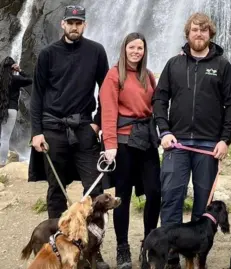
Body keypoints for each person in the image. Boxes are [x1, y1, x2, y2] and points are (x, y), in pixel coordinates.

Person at [153, 12, 231, 268]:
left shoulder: (223, 66)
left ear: (210, 33)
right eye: (194, 30)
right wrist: (164, 131)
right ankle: (170, 258)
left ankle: (195, 258)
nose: (198, 34)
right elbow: (160, 101)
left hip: (208, 147)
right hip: (176, 144)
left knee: (204, 206)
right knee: (171, 198)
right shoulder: (173, 64)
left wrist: (225, 139)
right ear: (187, 33)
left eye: (203, 30)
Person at [28, 5, 109, 268]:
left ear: (84, 25)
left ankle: (94, 252)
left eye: (79, 23)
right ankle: (59, 248)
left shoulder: (96, 51)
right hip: (53, 131)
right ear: (62, 24)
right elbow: (37, 94)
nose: (75, 27)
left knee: (96, 191)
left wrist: (98, 124)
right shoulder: (48, 54)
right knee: (55, 192)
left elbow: (105, 91)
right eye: (70, 22)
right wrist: (36, 132)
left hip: (84, 129)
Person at [99, 32, 161, 269]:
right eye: (132, 47)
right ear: (124, 48)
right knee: (122, 197)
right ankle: (122, 248)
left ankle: (150, 242)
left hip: (146, 140)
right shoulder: (114, 75)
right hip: (123, 144)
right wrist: (110, 146)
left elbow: (157, 104)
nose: (136, 52)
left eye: (140, 48)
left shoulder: (149, 76)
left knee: (155, 192)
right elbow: (108, 111)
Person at [0, 56, 32, 167]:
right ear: (13, 68)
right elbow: (30, 79)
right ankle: (2, 163)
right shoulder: (16, 79)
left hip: (1, 109)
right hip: (11, 110)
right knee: (5, 137)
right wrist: (20, 71)